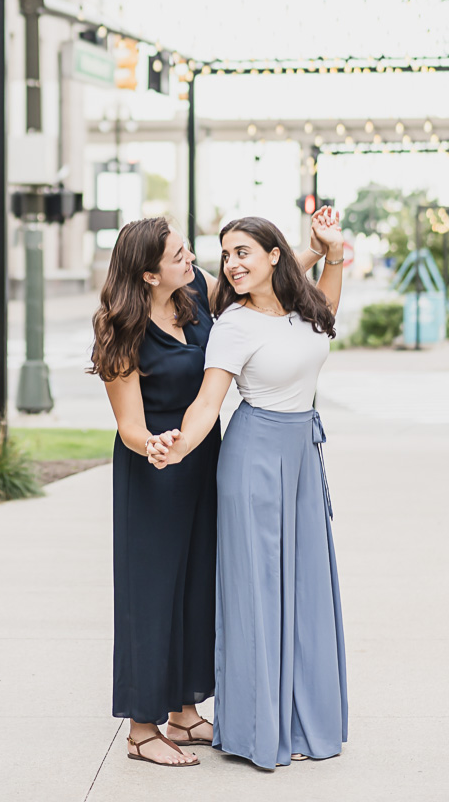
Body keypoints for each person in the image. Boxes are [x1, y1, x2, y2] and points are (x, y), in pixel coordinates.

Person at [90, 215, 329, 767]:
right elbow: (128, 422)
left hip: (205, 460)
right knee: (151, 597)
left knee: (199, 587)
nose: (191, 259)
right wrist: (153, 443)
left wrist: (310, 253)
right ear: (148, 274)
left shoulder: (192, 295)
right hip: (152, 468)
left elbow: (258, 276)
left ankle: (184, 710)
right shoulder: (122, 328)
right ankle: (142, 728)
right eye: (178, 254)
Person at [149, 211, 347, 772]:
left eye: (244, 253)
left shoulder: (303, 306)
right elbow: (208, 404)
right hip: (255, 459)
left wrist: (332, 251)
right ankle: (258, 726)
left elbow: (327, 310)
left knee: (306, 585)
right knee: (259, 595)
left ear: (274, 255)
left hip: (303, 456)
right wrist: (174, 447)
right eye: (226, 255)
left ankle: (305, 718)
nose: (232, 264)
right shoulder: (234, 324)